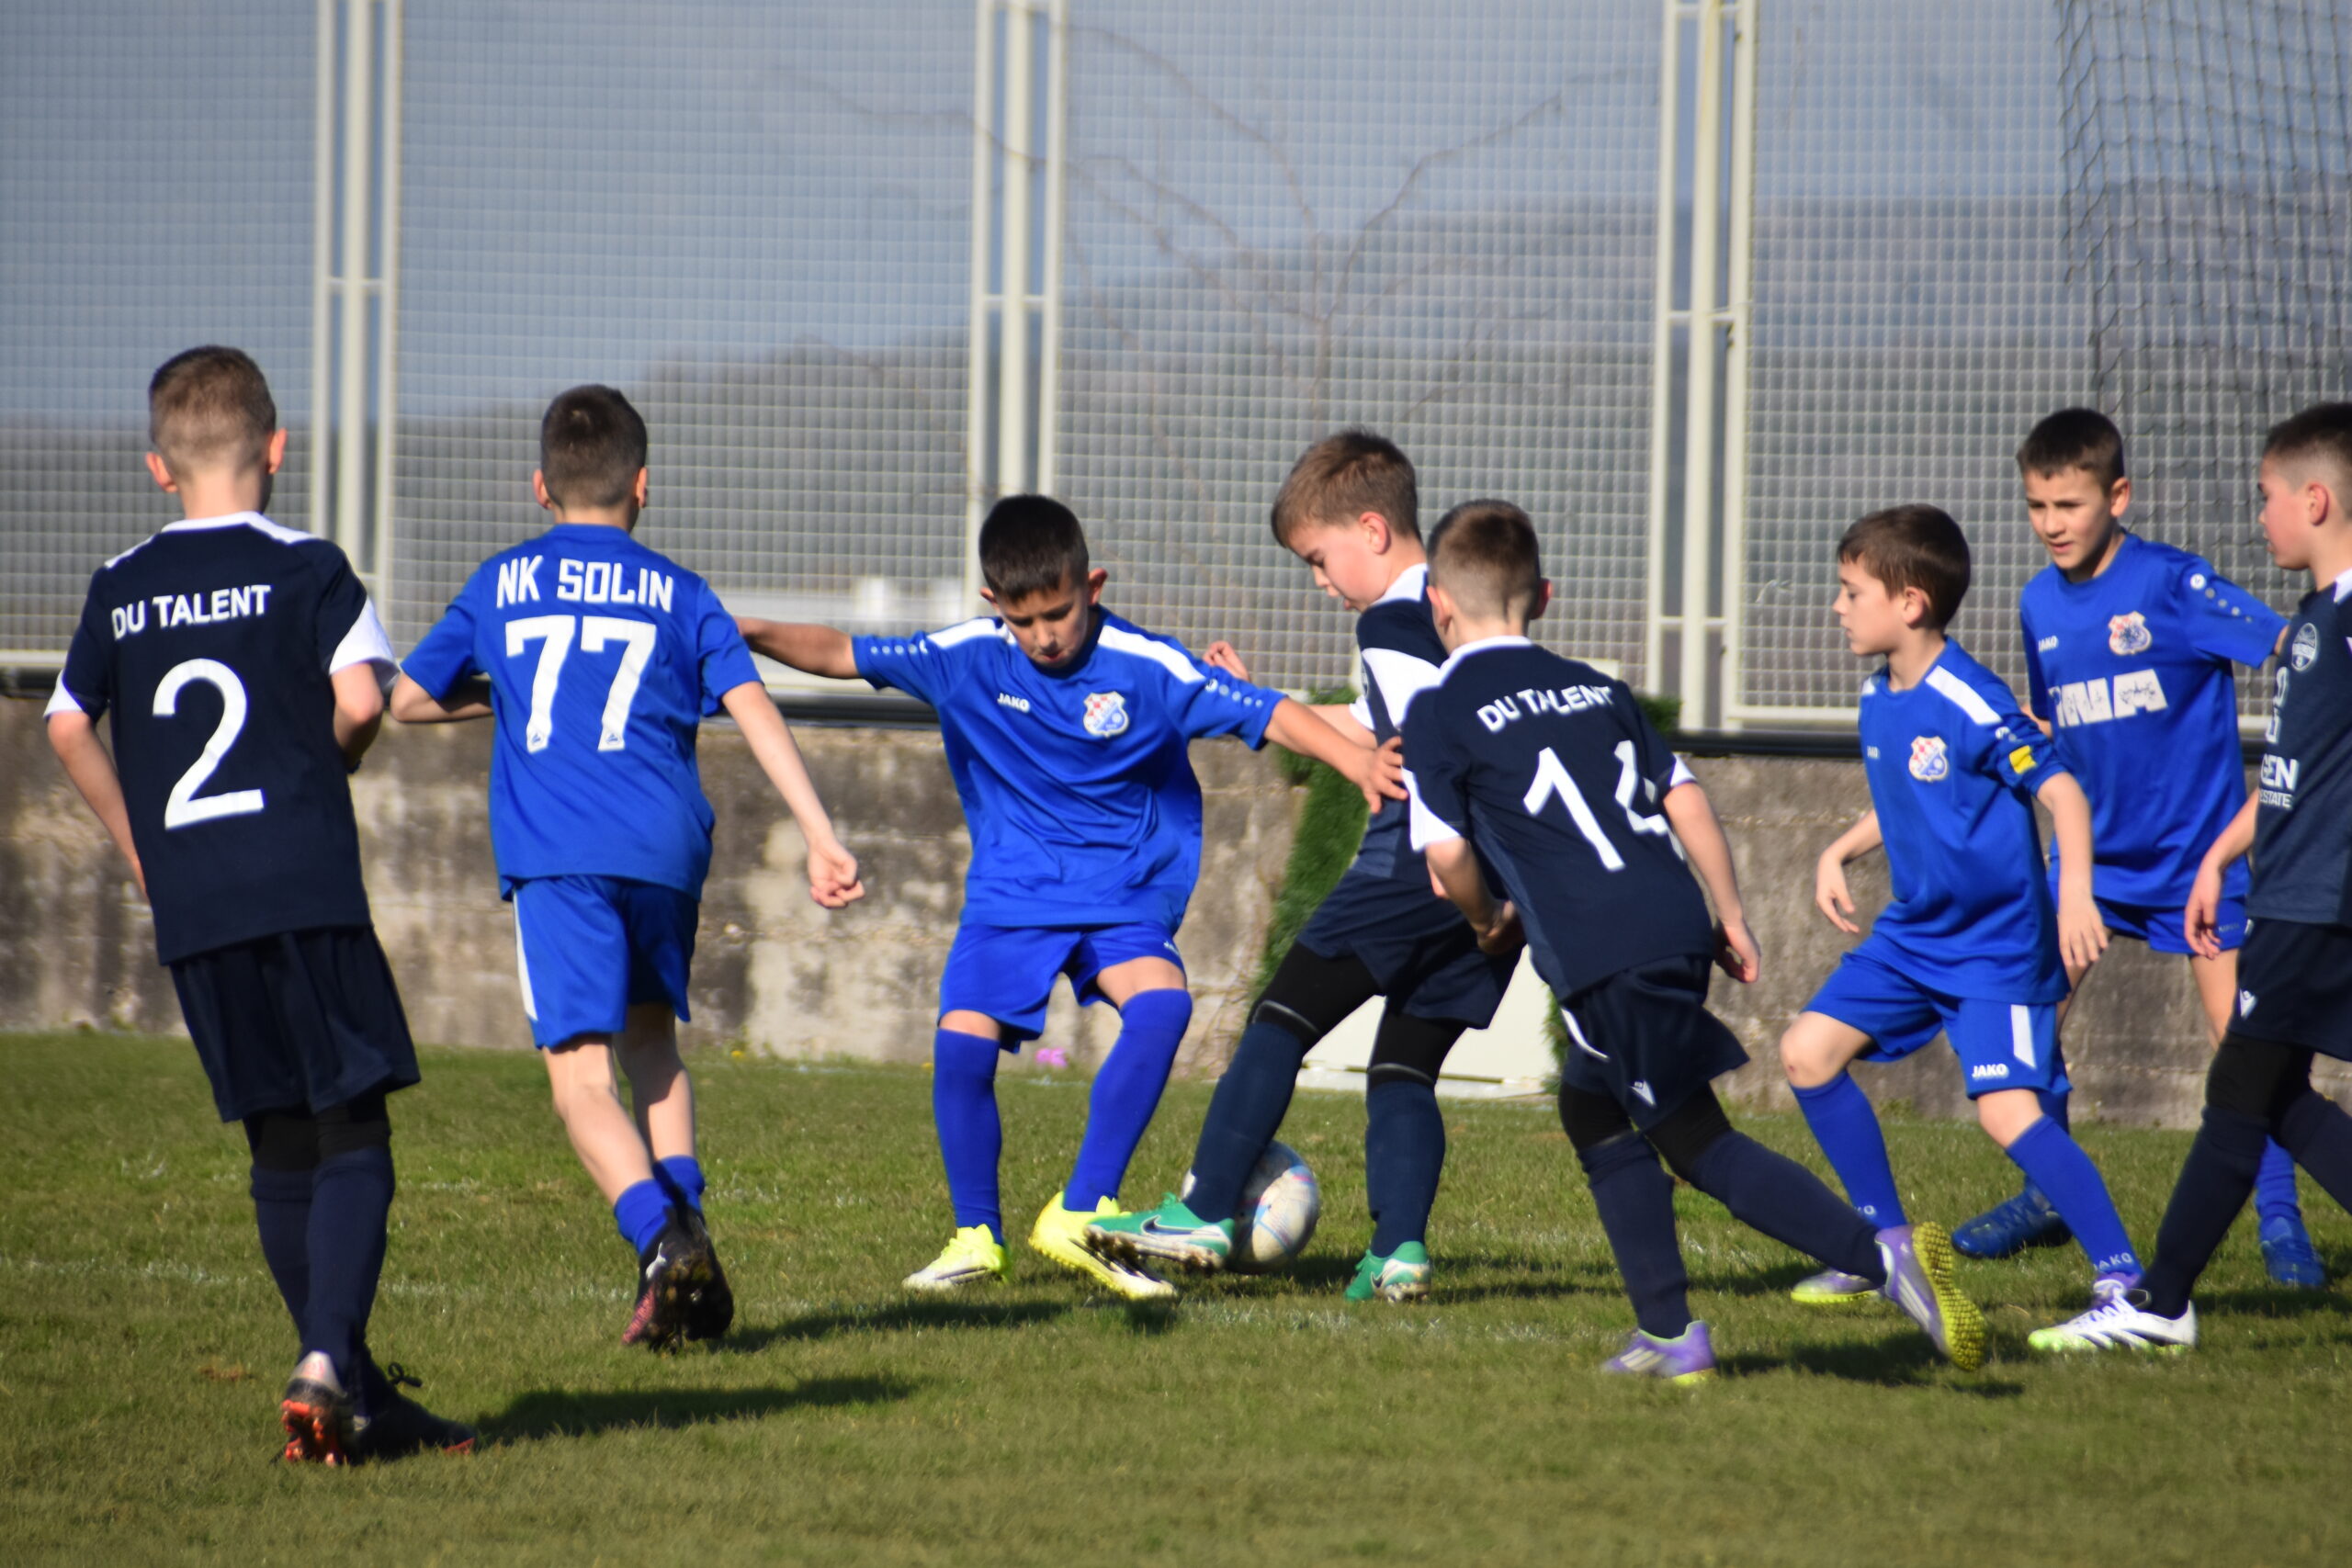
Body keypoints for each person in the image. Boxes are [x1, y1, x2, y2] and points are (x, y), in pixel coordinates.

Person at [739, 493, 1402, 1300]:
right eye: (1023, 620)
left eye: (1058, 612)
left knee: (1163, 1005)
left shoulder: (1144, 664)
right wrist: (747, 629)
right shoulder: (966, 655)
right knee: (963, 1045)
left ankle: (1082, 1209)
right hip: (1013, 893)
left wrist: (1354, 760)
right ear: (994, 603)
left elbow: (1273, 713)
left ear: (1092, 585)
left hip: (1122, 894)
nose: (1044, 635)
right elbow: (843, 651)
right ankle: (977, 1237)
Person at [1395, 500, 1982, 1379]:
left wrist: (1486, 920)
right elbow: (1686, 797)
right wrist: (1731, 914)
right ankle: (1669, 1332)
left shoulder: (1439, 708)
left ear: (1438, 603)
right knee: (1593, 1106)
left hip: (1604, 953)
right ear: (1543, 597)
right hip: (1673, 920)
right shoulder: (1599, 689)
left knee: (1696, 1141)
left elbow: (1445, 854)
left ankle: (1881, 1257)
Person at [46, 345, 471, 1462]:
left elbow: (67, 724)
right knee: (352, 1125)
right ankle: (327, 1363)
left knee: (279, 1143)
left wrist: (141, 846)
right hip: (301, 881)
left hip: (197, 902)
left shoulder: (118, 585)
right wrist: (330, 759)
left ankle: (357, 1400)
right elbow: (360, 703)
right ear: (276, 448)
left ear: (159, 466)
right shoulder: (309, 567)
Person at [391, 384, 864, 1349]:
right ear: (642, 485)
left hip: (561, 856)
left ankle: (661, 1239)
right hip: (663, 851)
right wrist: (820, 832)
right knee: (652, 1046)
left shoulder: (500, 583)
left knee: (579, 1078)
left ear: (540, 487)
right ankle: (691, 1238)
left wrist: (504, 695)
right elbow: (754, 708)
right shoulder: (684, 594)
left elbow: (404, 699)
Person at [1084, 430, 1513, 1303]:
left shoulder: (1389, 620)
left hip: (1420, 860)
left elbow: (1428, 729)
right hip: (1500, 877)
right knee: (1404, 1065)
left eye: (1319, 558)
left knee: (1279, 1018)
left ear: (1373, 529)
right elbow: (1380, 721)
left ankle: (1205, 1207)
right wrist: (1259, 698)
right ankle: (1398, 1252)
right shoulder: (1458, 611)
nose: (1319, 581)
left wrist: (1432, 815)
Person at [1946, 409, 2317, 1286]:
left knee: (2242, 1044)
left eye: (2069, 504)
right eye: (2037, 506)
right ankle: (2047, 1196)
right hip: (2093, 866)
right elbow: (2058, 722)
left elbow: (2294, 650)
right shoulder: (2037, 602)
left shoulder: (2174, 585)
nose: (2051, 524)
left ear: (2118, 496)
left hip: (2196, 865)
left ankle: (2280, 1218)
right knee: (2026, 1019)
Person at [2033, 403, 2352, 1351]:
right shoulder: (2315, 623)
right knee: (2260, 1091)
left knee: (2246, 1085)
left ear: (2315, 499)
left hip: (2307, 899)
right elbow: (2293, 772)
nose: (2258, 518)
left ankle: (2170, 1296)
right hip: (2274, 889)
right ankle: (2149, 1291)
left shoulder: (2331, 625)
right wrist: (2221, 855)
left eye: (2265, 498)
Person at [1780, 504, 2145, 1330]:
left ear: (1910, 603)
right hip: (1914, 935)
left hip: (1993, 948)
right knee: (1806, 1052)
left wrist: (2076, 892)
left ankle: (2127, 1284)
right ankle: (1886, 1251)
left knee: (2007, 1113)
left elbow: (2062, 791)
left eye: (1851, 591)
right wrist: (1839, 850)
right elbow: (1911, 795)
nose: (1838, 606)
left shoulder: (1970, 696)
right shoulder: (1880, 694)